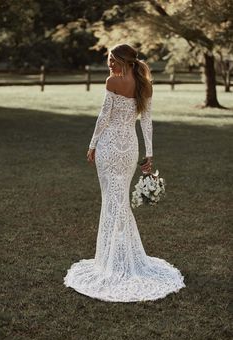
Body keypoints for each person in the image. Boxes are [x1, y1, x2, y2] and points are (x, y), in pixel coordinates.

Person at [64, 44, 186, 302]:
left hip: (110, 147)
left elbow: (103, 117)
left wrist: (92, 144)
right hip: (129, 148)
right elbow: (147, 121)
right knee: (117, 201)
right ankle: (119, 257)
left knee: (113, 201)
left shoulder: (112, 82)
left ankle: (114, 261)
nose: (109, 65)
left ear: (123, 60)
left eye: (111, 60)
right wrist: (149, 153)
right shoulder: (144, 84)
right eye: (109, 60)